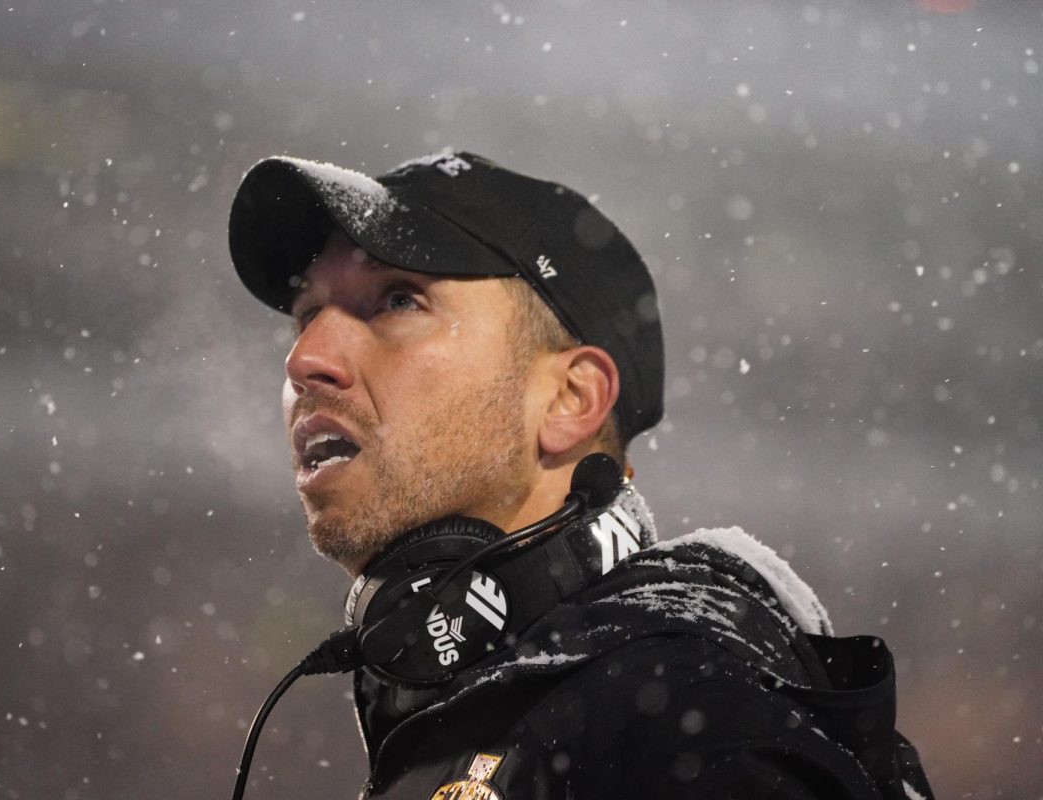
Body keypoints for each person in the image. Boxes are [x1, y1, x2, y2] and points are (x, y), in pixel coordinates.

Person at [227, 151, 935, 799]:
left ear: (570, 401)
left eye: (398, 299)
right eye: (308, 315)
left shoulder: (686, 716)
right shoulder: (506, 722)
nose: (304, 361)